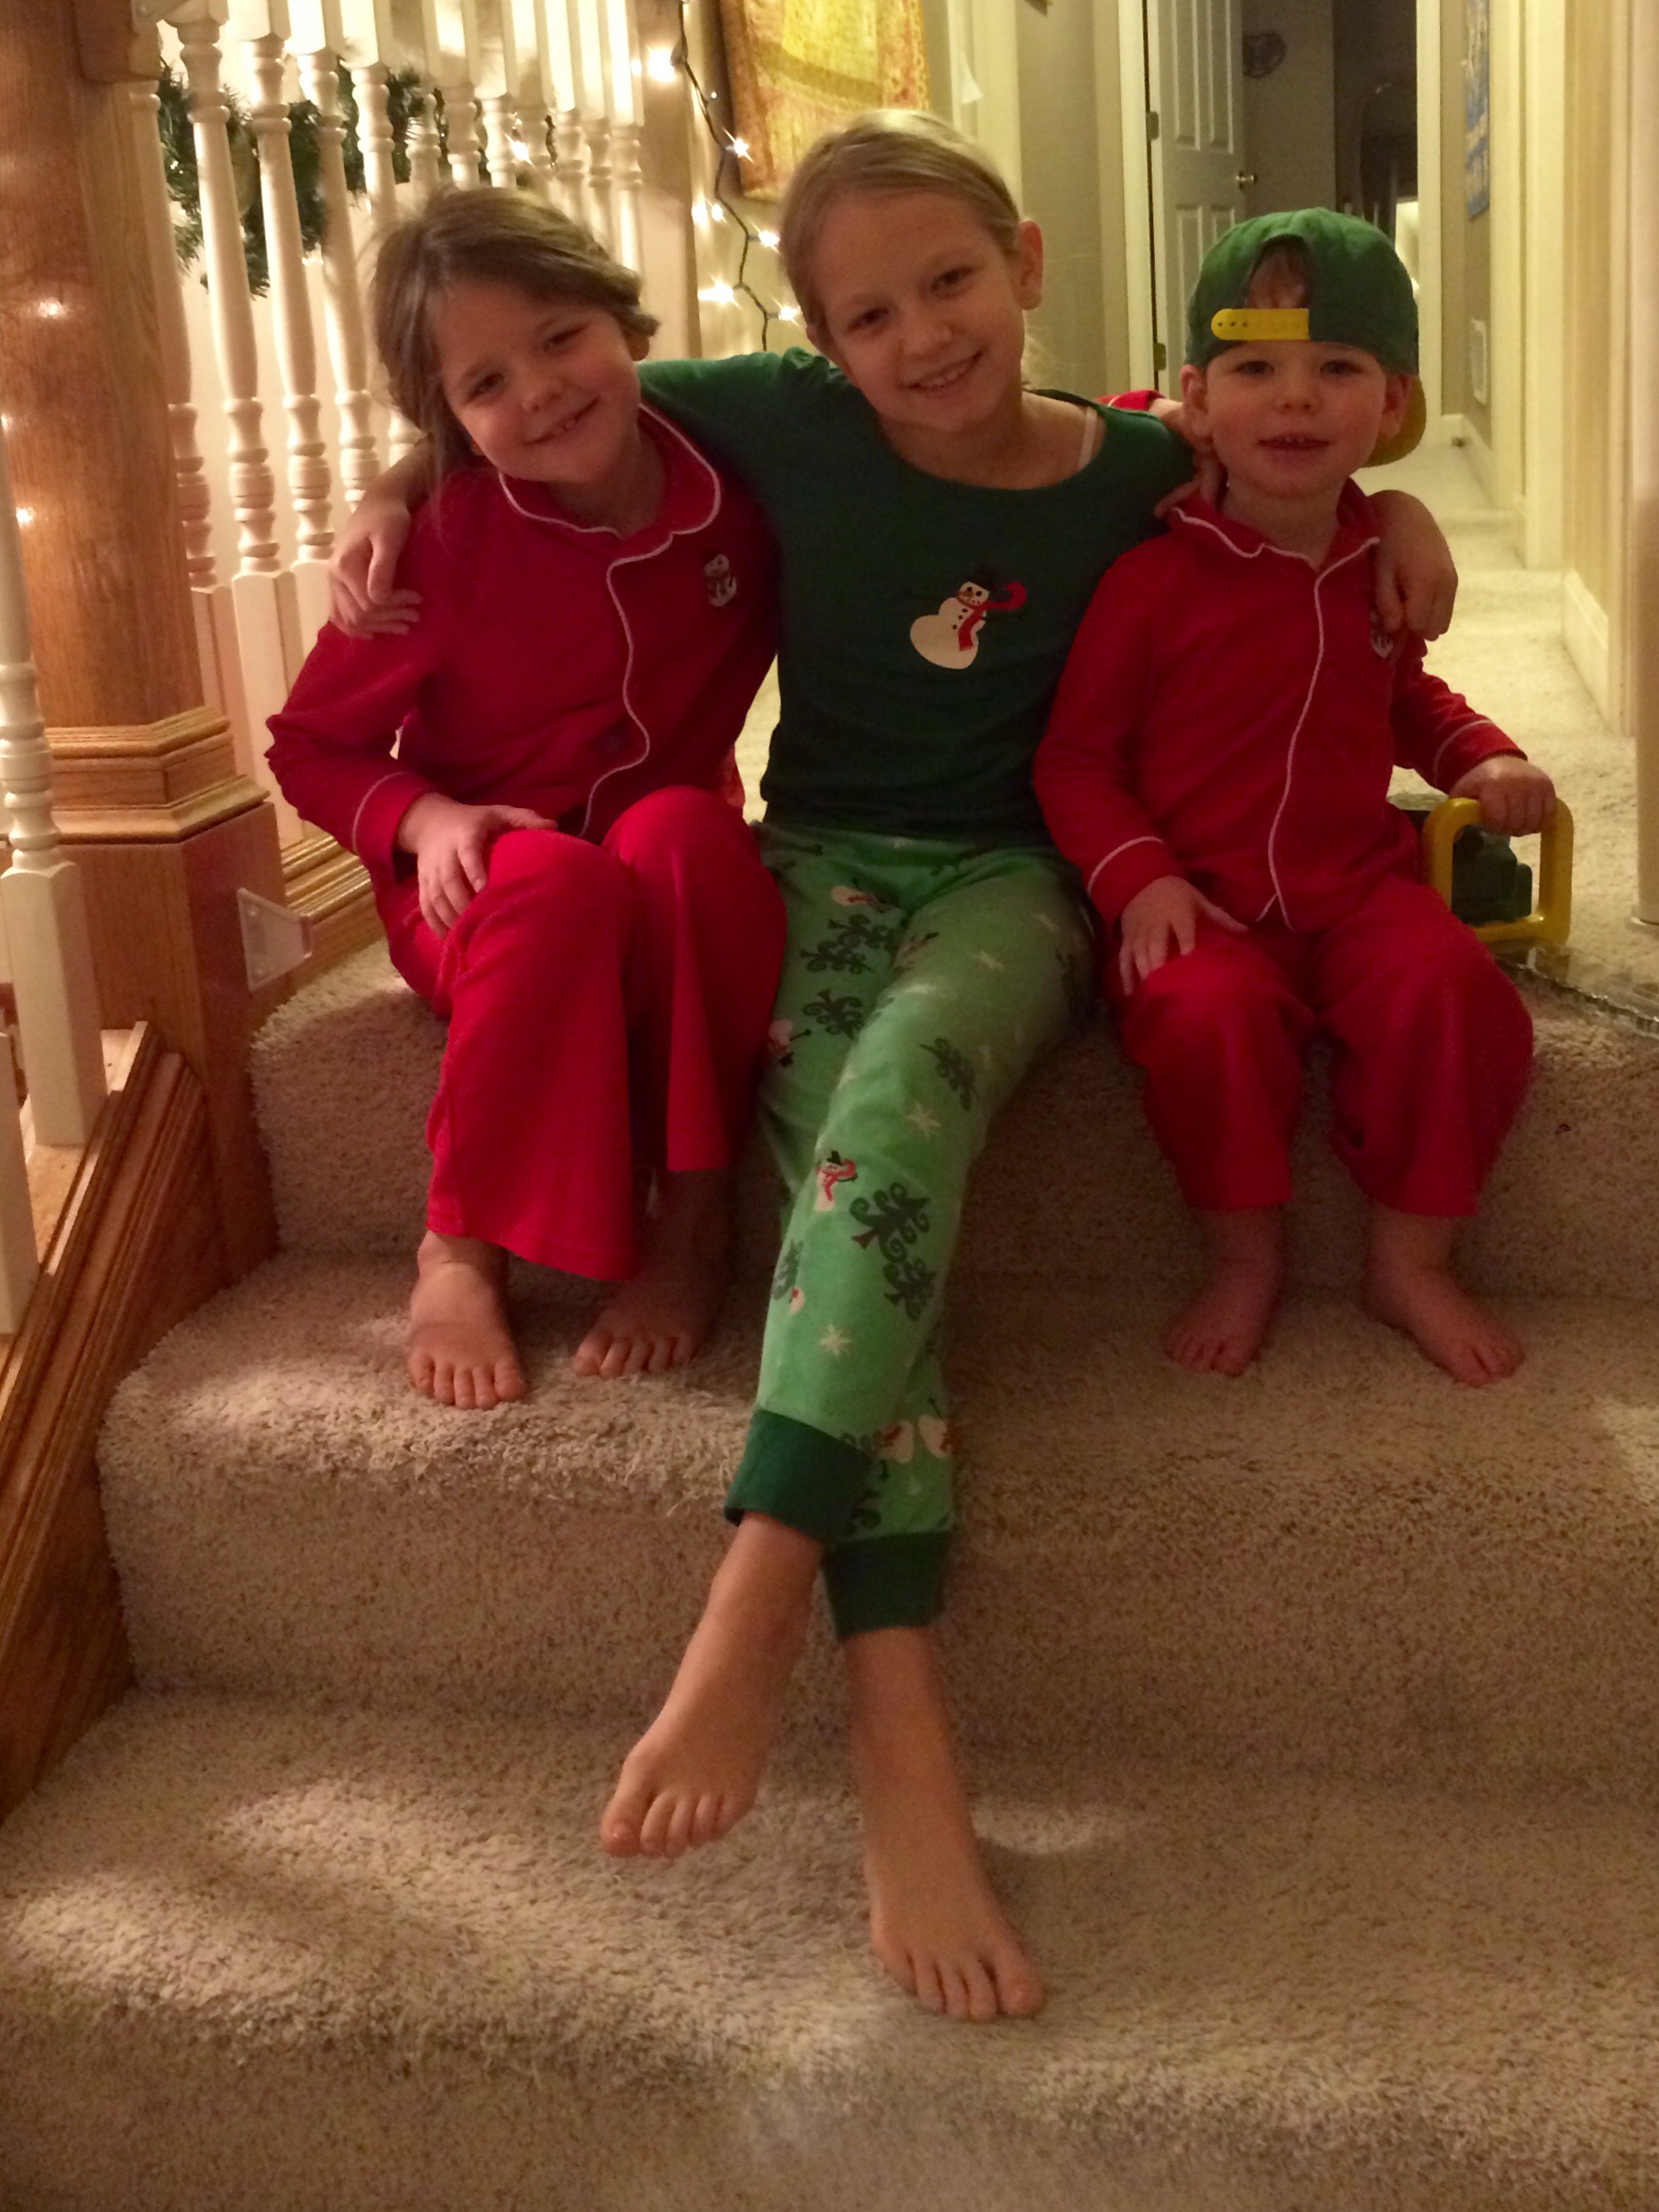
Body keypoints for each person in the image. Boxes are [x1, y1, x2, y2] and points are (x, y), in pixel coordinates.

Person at [329, 124, 1460, 2024]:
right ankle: (896, 1720)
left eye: (951, 282)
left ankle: (760, 1581)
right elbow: (540, 396)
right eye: (868, 315)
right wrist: (390, 488)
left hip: (1015, 891)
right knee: (856, 1178)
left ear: (1025, 259)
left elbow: (1289, 465)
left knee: (901, 1093)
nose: (920, 336)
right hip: (808, 873)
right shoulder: (786, 417)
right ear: (818, 343)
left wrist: (1400, 515)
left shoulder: (1136, 467)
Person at [267, 190, 785, 1410]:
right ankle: (460, 1244)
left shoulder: (740, 490)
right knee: (553, 880)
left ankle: (693, 1217)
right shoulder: (437, 545)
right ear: (447, 421)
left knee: (687, 834)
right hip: (482, 891)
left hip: (665, 873)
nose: (542, 391)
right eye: (487, 384)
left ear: (622, 320)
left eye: (561, 339)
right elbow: (310, 747)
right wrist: (427, 820)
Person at [1035, 209, 1552, 1387]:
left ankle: (1410, 1261)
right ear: (1198, 399)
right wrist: (1142, 882)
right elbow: (1075, 762)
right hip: (1200, 901)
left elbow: (1408, 697)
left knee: (1456, 996)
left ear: (1393, 402)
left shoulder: (1375, 564)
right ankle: (1244, 1254)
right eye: (1256, 370)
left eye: (1338, 369)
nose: (1297, 400)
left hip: (1358, 888)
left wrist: (1484, 759)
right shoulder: (1147, 580)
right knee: (1201, 1019)